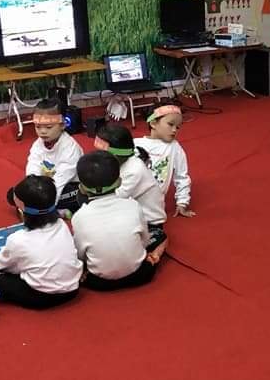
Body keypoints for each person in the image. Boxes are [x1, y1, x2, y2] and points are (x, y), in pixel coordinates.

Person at [0, 175, 82, 309]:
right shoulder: (61, 225)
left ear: (21, 209)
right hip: (73, 289)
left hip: (41, 297)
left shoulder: (17, 239)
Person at [73, 151, 160, 291]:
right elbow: (144, 240)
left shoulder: (79, 217)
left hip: (99, 282)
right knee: (162, 237)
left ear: (82, 188)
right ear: (119, 181)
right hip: (140, 274)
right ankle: (152, 258)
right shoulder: (133, 205)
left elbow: (80, 254)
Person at [94, 123, 167, 257]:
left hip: (149, 222)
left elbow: (114, 199)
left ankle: (158, 242)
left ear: (118, 154)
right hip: (127, 212)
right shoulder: (118, 163)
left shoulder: (134, 170)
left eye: (103, 155)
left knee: (119, 251)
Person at [9, 98, 82, 216]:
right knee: (12, 194)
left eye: (48, 127)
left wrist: (43, 204)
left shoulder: (70, 148)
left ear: (63, 125)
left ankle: (47, 211)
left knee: (71, 195)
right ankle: (49, 210)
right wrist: (32, 188)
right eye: (38, 127)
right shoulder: (38, 144)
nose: (42, 132)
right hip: (44, 185)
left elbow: (61, 180)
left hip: (68, 185)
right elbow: (33, 167)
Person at [134, 101, 194, 217]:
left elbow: (182, 176)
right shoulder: (135, 144)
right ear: (153, 123)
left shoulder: (174, 147)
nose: (174, 130)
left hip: (155, 207)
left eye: (177, 127)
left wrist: (182, 202)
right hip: (128, 201)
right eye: (170, 124)